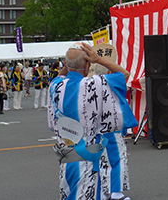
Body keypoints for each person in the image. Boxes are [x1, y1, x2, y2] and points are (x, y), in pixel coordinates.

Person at [48, 42, 137, 200]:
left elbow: (61, 75)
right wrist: (98, 59)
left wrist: (70, 62)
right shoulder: (93, 84)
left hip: (66, 157)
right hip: (87, 156)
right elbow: (123, 74)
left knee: (69, 194)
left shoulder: (55, 86)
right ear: (88, 64)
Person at [92, 45, 133, 200]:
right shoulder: (109, 80)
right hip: (111, 127)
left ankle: (103, 192)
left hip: (94, 128)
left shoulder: (88, 82)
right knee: (117, 159)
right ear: (109, 71)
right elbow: (125, 73)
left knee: (100, 161)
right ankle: (116, 192)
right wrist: (101, 60)